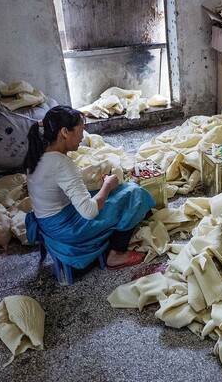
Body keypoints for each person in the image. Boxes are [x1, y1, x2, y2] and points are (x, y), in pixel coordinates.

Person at [24, 105, 155, 271]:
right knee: (134, 193)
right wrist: (107, 186)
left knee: (115, 192)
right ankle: (116, 254)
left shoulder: (38, 153)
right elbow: (89, 211)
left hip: (47, 222)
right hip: (67, 229)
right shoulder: (62, 164)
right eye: (80, 130)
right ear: (65, 132)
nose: (82, 136)